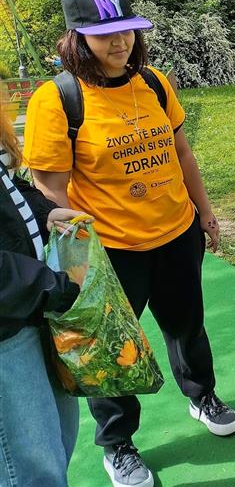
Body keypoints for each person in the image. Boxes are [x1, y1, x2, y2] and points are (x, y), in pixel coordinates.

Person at [23, 0, 235, 487]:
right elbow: (50, 188)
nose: (120, 42)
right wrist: (82, 258)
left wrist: (205, 214)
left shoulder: (155, 83)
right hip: (112, 250)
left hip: (177, 232)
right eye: (104, 34)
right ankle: (118, 443)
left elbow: (181, 153)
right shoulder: (57, 100)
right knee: (113, 348)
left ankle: (201, 395)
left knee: (187, 325)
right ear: (76, 37)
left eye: (127, 31)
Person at [0, 101, 92, 486]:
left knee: (57, 444)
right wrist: (50, 287)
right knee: (32, 467)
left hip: (32, 310)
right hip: (8, 330)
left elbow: (9, 188)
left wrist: (43, 212)